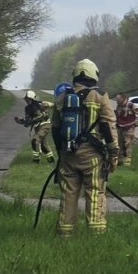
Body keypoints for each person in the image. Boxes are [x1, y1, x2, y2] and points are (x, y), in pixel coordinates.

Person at [51, 59, 118, 237]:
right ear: (93, 75)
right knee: (95, 192)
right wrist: (114, 153)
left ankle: (64, 233)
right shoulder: (100, 96)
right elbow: (108, 126)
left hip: (68, 155)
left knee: (68, 194)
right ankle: (96, 235)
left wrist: (61, 153)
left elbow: (55, 128)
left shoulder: (61, 98)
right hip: (92, 156)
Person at [15, 90, 56, 164]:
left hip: (45, 125)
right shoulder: (27, 108)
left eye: (28, 99)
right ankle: (51, 161)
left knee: (35, 140)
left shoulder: (42, 104)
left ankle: (36, 160)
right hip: (37, 127)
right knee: (43, 145)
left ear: (32, 99)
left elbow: (54, 105)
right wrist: (22, 121)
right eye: (26, 99)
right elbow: (28, 120)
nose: (27, 101)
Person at [113, 93, 138, 167]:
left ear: (123, 98)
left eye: (118, 99)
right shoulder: (119, 106)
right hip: (120, 127)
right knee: (119, 144)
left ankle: (127, 163)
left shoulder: (130, 105)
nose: (116, 100)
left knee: (127, 144)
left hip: (129, 128)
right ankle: (119, 161)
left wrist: (137, 123)